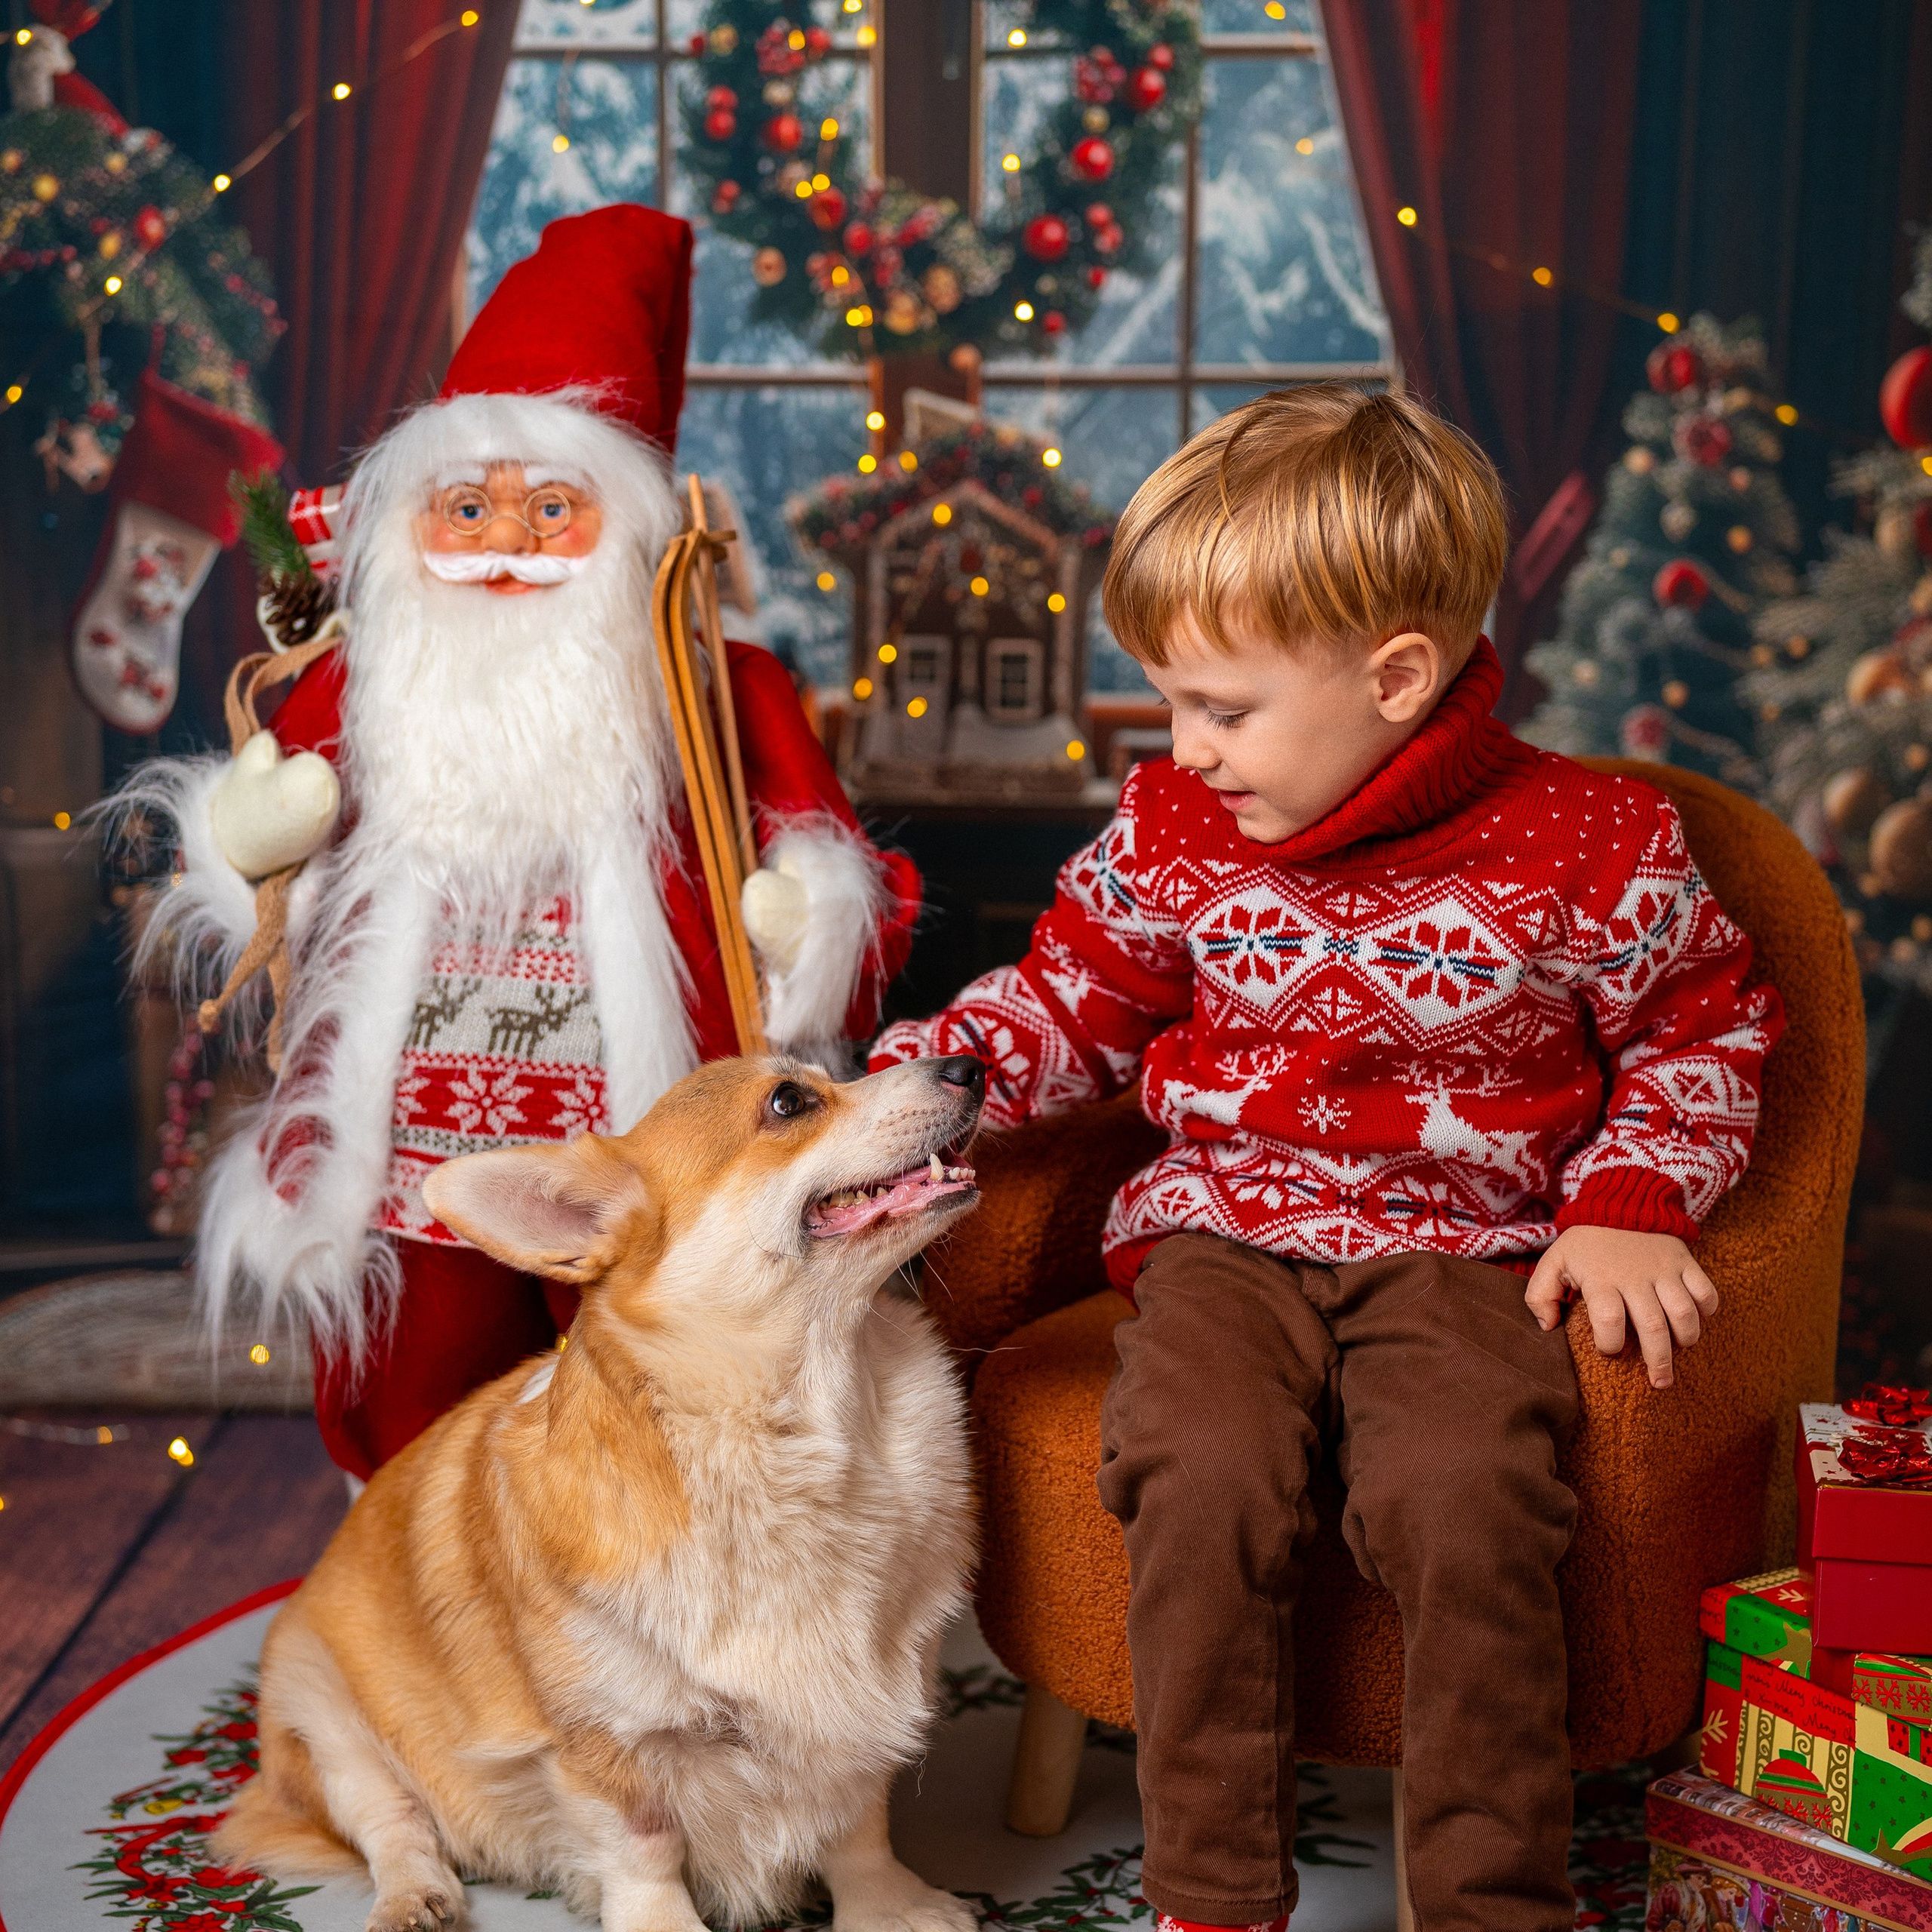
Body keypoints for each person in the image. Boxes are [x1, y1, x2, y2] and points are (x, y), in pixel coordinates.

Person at [871, 385, 1783, 1932]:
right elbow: (1070, 1000)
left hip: (1468, 1251)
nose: (1184, 748)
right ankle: (1211, 1892)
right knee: (1200, 1468)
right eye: (1168, 701)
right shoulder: (1171, 827)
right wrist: (926, 1080)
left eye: (1220, 707)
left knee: (1466, 1492)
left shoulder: (1590, 843)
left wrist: (1633, 1198)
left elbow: (1705, 1027)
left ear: (1397, 677)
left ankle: (1488, 1898)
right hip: (1222, 1235)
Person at [135, 205, 918, 1481]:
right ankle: (419, 1605)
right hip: (419, 1133)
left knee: (665, 1382)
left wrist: (809, 919)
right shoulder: (371, 678)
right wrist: (249, 836)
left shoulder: (722, 689)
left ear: (628, 531)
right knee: (420, 1391)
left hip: (643, 1138)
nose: (505, 543)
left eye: (552, 509)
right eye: (467, 506)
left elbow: (845, 882)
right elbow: (253, 861)